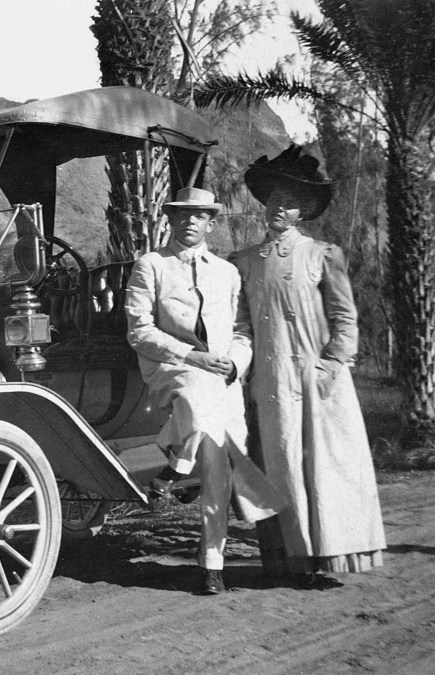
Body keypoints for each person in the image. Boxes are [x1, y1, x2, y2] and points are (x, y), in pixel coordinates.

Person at [230, 145, 386, 589]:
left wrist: (332, 363)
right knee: (277, 466)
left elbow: (344, 318)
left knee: (323, 469)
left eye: (290, 202)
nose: (280, 208)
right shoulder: (243, 263)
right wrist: (244, 372)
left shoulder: (323, 255)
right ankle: (285, 562)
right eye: (274, 199)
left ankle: (326, 558)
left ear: (303, 211)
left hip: (318, 381)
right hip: (269, 382)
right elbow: (241, 324)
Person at [126, 186, 287, 595]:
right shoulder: (151, 265)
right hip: (172, 367)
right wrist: (192, 357)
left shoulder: (226, 272)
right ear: (171, 219)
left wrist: (235, 361)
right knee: (197, 409)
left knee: (218, 469)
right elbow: (140, 330)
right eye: (182, 214)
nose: (189, 221)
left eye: (199, 215)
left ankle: (211, 565)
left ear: (211, 224)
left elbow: (242, 331)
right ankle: (178, 464)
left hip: (223, 376)